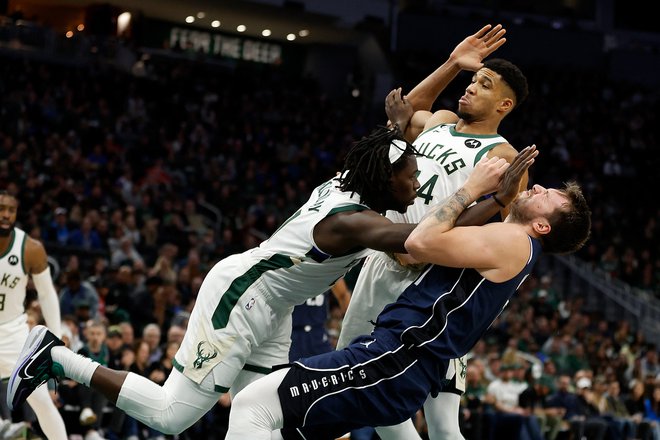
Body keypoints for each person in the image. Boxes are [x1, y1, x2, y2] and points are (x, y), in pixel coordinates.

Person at [5, 124, 427, 435]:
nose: (419, 184)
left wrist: (421, 99)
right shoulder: (353, 222)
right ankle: (58, 357)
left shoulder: (353, 180)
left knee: (259, 418)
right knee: (171, 415)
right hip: (244, 297)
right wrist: (488, 199)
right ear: (388, 179)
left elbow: (388, 148)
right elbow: (424, 239)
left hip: (275, 306)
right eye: (412, 177)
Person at [221, 150, 591, 439]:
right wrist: (495, 201)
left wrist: (472, 188)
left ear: (542, 225)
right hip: (402, 365)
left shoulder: (514, 240)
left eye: (549, 197)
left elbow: (418, 241)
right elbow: (416, 250)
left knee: (253, 404)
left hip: (395, 358)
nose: (539, 187)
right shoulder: (511, 244)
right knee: (283, 430)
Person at [336, 23, 529, 440]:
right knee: (358, 380)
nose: (470, 87)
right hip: (386, 257)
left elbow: (512, 231)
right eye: (472, 79)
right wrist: (451, 63)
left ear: (504, 104)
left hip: (433, 276)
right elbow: (404, 109)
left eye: (483, 84)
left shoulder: (504, 154)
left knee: (441, 423)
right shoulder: (439, 120)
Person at [0, 191, 68, 440]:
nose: (6, 215)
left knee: (41, 400)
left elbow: (48, 295)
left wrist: (56, 339)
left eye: (11, 210)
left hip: (13, 333)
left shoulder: (30, 248)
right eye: (1, 209)